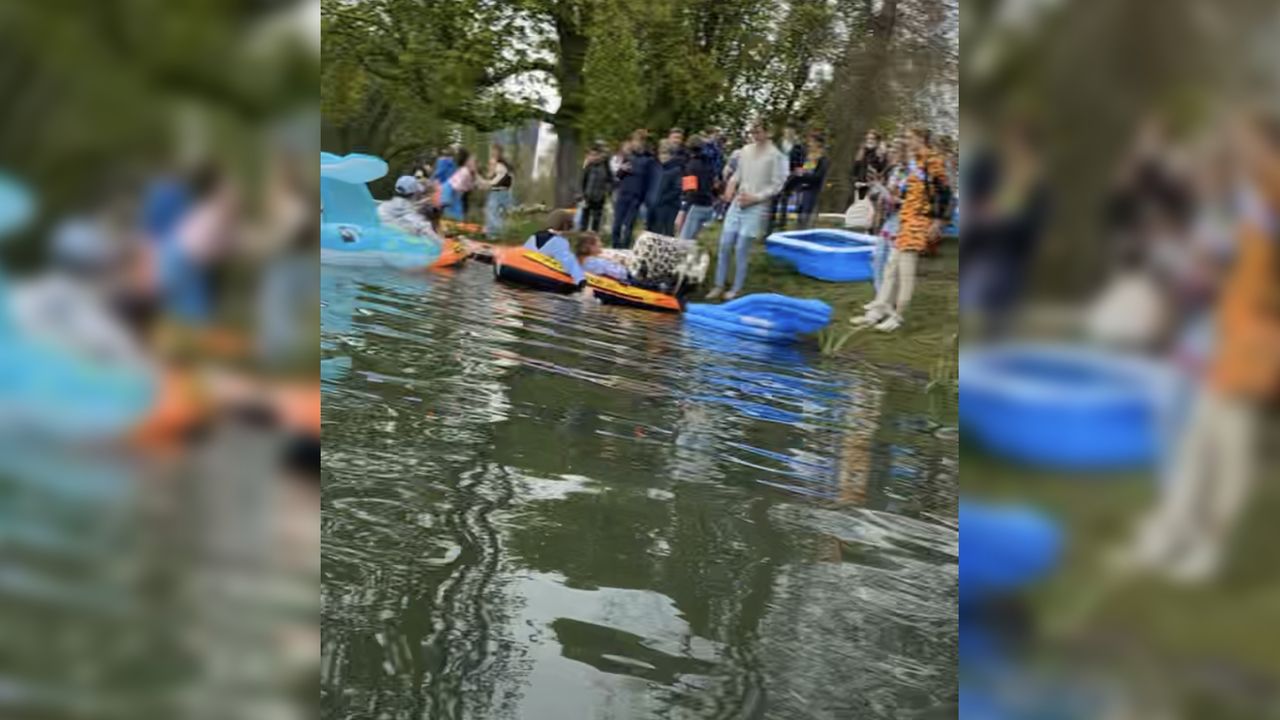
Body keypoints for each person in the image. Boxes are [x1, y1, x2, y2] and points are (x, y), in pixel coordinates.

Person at [854, 127, 949, 331]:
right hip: (905, 218)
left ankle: (898, 317)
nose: (907, 141)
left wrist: (938, 221)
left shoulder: (933, 161)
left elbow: (944, 192)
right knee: (890, 266)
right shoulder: (915, 161)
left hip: (919, 221)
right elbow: (909, 191)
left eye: (909, 137)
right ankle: (878, 310)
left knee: (906, 270)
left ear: (921, 139)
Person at [705, 119, 787, 301]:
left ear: (768, 133)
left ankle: (736, 288)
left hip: (756, 206)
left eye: (758, 132)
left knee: (741, 247)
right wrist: (731, 185)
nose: (754, 135)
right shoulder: (746, 151)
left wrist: (756, 198)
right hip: (738, 202)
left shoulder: (775, 156)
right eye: (752, 132)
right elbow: (738, 174)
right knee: (725, 244)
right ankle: (718, 285)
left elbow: (777, 185)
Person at [611, 137, 657, 248]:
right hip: (623, 193)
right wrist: (622, 169)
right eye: (635, 142)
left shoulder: (648, 161)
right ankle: (615, 245)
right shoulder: (628, 158)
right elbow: (618, 176)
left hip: (636, 196)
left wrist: (645, 198)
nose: (636, 145)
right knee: (617, 223)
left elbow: (649, 181)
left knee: (628, 224)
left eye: (639, 142)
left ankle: (625, 246)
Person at [524, 209, 585, 286]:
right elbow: (569, 262)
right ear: (566, 225)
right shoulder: (560, 241)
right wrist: (580, 280)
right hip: (542, 277)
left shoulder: (535, 235)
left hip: (524, 270)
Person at [678, 136, 718, 241]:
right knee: (698, 241)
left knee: (685, 240)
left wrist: (683, 209)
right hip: (709, 204)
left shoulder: (690, 166)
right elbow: (715, 184)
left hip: (695, 205)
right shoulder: (709, 164)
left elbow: (690, 189)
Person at [769, 125, 808, 233]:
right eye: (787, 131)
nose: (789, 133)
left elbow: (801, 160)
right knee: (775, 198)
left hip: (791, 174)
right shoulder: (779, 145)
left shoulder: (798, 146)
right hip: (778, 174)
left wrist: (797, 170)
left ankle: (782, 223)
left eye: (791, 131)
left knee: (785, 198)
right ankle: (771, 222)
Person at [647, 140, 684, 236]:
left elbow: (677, 189)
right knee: (653, 231)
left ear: (671, 155)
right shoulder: (656, 168)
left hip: (669, 206)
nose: (663, 157)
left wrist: (662, 199)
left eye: (666, 154)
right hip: (654, 206)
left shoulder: (676, 169)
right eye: (661, 153)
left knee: (666, 232)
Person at [793, 131, 829, 229]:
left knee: (807, 216)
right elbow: (805, 171)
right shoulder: (808, 157)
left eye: (812, 142)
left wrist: (803, 174)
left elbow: (817, 176)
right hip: (802, 191)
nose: (809, 144)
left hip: (813, 192)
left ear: (818, 143)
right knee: (800, 217)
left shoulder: (822, 159)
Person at [478, 143, 514, 238]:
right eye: (492, 151)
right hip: (499, 191)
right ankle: (489, 231)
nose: (493, 153)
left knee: (492, 211)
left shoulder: (500, 166)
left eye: (495, 151)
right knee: (493, 211)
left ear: (499, 152)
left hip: (499, 192)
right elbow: (490, 177)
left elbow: (495, 180)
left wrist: (485, 183)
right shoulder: (498, 164)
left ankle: (496, 232)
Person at [579, 143, 613, 232]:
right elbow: (583, 180)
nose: (594, 157)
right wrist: (582, 194)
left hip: (599, 196)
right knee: (584, 217)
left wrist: (607, 190)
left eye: (596, 155)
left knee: (596, 219)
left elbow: (610, 180)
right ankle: (582, 235)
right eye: (592, 155)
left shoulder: (605, 166)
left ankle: (594, 234)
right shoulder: (589, 166)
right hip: (587, 195)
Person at [851, 129, 887, 205]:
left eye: (872, 138)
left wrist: (881, 156)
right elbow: (854, 171)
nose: (869, 141)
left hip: (873, 189)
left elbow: (882, 171)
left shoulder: (880, 154)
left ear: (877, 141)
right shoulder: (862, 153)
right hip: (859, 188)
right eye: (867, 138)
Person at [440, 148, 476, 221]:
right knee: (455, 213)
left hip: (449, 190)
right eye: (472, 161)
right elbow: (459, 185)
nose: (474, 163)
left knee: (451, 213)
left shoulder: (464, 170)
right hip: (452, 191)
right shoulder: (465, 171)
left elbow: (469, 185)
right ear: (467, 162)